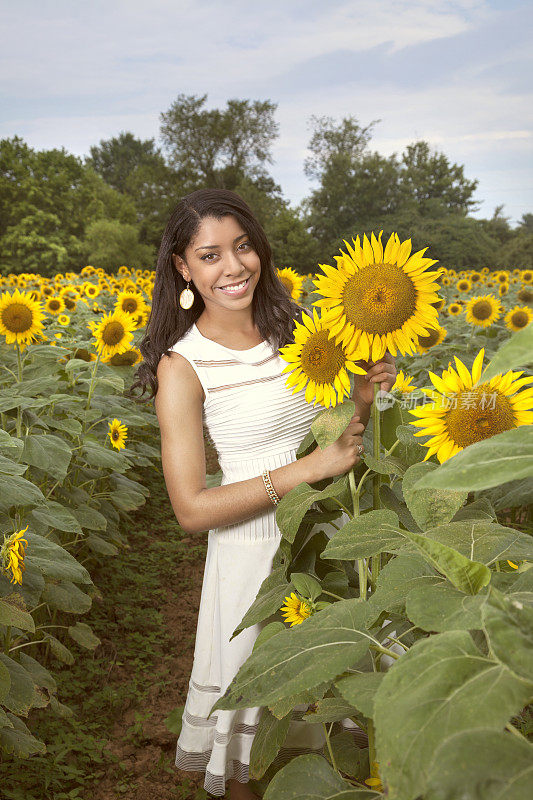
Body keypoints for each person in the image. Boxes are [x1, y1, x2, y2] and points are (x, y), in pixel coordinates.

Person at [130, 188, 396, 799]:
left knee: (340, 701)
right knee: (256, 723)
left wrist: (361, 398)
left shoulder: (300, 330)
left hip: (329, 535)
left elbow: (325, 428)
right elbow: (191, 508)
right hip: (253, 556)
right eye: (211, 254)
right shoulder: (183, 365)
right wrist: (308, 470)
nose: (233, 266)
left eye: (244, 246)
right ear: (183, 268)